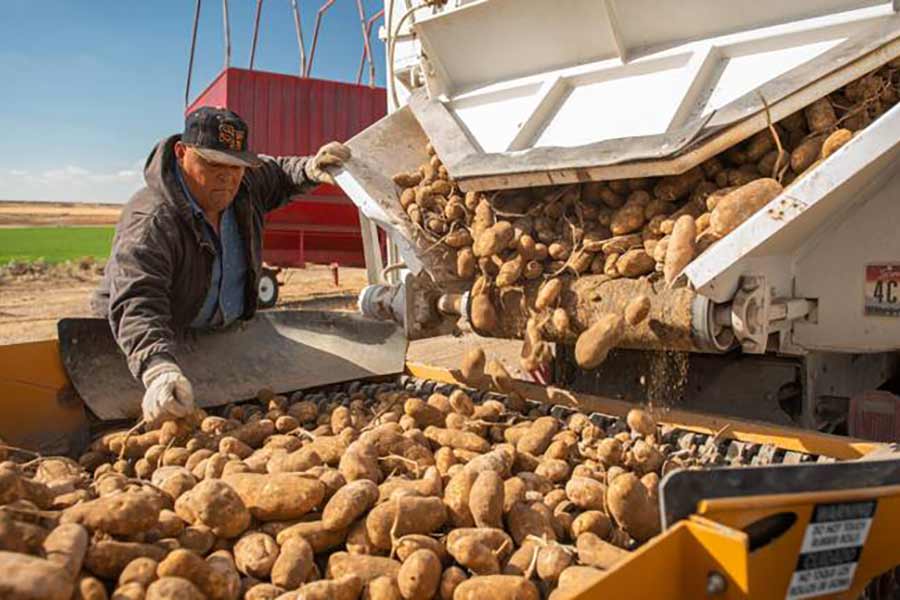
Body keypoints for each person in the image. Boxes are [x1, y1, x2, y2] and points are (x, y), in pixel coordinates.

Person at [92, 106, 350, 425]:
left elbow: (280, 172)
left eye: (236, 166)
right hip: (136, 350)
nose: (227, 177)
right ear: (182, 152)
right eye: (213, 163)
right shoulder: (152, 221)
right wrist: (158, 369)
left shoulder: (244, 186)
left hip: (211, 343)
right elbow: (138, 301)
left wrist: (310, 168)